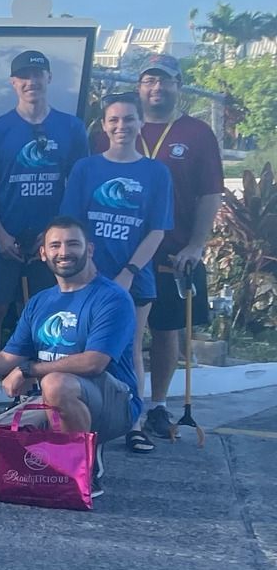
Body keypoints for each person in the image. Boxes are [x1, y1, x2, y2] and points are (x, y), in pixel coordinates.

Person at [0, 216, 138, 493]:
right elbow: (7, 359)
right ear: (43, 253)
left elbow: (94, 362)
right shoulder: (41, 302)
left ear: (89, 250)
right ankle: (57, 445)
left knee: (55, 382)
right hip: (53, 399)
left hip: (113, 402)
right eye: (55, 246)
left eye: (73, 244)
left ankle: (84, 471)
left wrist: (29, 370)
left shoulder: (112, 298)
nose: (64, 252)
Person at [0, 50, 90, 419]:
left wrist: (51, 240)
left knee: (45, 316)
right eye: (24, 76)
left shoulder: (71, 128)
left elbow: (74, 184)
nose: (31, 82)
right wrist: (0, 235)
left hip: (48, 243)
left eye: (38, 74)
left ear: (49, 79)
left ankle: (33, 387)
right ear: (14, 83)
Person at [119, 53, 224, 439]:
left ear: (178, 86)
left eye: (165, 81)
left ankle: (158, 405)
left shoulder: (196, 133)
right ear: (139, 86)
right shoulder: (117, 125)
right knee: (116, 330)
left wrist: (196, 245)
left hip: (172, 251)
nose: (157, 87)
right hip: (121, 250)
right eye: (149, 80)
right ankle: (116, 403)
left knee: (165, 330)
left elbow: (210, 193)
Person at [62, 95, 173, 453]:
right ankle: (81, 421)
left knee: (129, 350)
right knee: (78, 347)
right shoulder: (86, 168)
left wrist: (129, 271)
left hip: (133, 279)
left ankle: (133, 422)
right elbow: (72, 224)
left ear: (140, 123)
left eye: (128, 120)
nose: (121, 127)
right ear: (103, 125)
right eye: (113, 120)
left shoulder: (155, 172)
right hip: (86, 277)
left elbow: (156, 229)